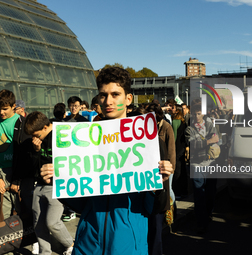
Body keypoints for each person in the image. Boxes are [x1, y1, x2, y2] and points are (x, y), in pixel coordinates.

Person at [40, 67, 173, 255]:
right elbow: (80, 203)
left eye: (115, 94)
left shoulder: (148, 141)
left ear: (128, 99)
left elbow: (156, 208)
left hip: (128, 246)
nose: (108, 101)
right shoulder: (82, 140)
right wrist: (58, 179)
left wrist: (158, 186)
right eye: (103, 95)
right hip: (88, 243)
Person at [24, 111, 74, 255]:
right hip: (39, 185)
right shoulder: (37, 141)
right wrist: (36, 151)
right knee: (38, 224)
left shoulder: (61, 135)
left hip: (56, 186)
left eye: (36, 135)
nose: (34, 138)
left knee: (52, 222)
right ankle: (44, 252)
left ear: (46, 127)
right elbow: (34, 166)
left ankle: (70, 244)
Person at [185, 101, 219, 233]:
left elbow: (217, 138)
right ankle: (201, 222)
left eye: (199, 114)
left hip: (210, 163)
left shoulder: (209, 125)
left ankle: (208, 213)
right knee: (199, 194)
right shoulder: (189, 128)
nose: (197, 116)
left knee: (210, 192)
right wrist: (209, 141)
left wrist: (210, 141)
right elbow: (193, 144)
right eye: (194, 114)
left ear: (203, 114)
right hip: (196, 164)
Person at [0, 90, 31, 219]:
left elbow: (25, 154)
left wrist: (17, 180)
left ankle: (27, 238)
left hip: (18, 174)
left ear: (14, 106)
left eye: (4, 109)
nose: (1, 112)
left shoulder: (22, 123)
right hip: (2, 172)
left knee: (22, 210)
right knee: (4, 213)